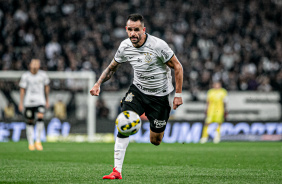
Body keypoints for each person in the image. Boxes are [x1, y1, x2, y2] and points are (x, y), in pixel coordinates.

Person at [90, 14, 183, 180]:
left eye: (136, 30)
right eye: (130, 30)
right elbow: (112, 68)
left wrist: (178, 94)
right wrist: (98, 84)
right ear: (126, 30)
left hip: (159, 97)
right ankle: (116, 171)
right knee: (124, 122)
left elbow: (178, 66)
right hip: (138, 91)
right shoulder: (125, 46)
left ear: (143, 30)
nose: (133, 33)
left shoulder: (158, 45)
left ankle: (148, 116)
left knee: (156, 140)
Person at [19, 59, 50, 151]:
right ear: (30, 65)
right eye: (34, 63)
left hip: (40, 100)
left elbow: (46, 87)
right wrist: (21, 103)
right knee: (30, 121)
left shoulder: (43, 75)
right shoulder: (25, 76)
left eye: (37, 63)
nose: (35, 65)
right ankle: (31, 143)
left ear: (39, 65)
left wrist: (47, 100)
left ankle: (38, 141)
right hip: (29, 101)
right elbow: (22, 90)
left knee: (40, 117)